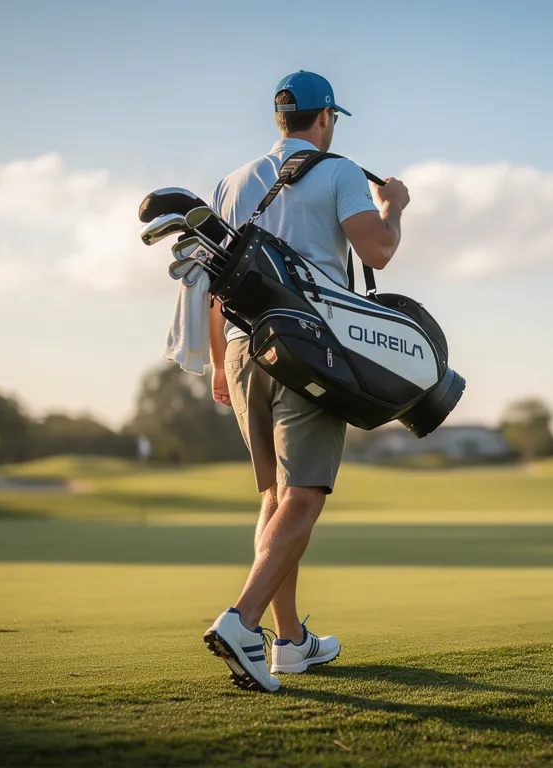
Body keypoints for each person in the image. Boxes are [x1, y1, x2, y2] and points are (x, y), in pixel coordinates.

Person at [201, 71, 411, 692]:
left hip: (241, 349)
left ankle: (290, 642)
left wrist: (218, 364)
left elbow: (213, 284)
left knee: (276, 496)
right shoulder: (338, 169)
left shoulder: (231, 182)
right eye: (333, 120)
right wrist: (393, 204)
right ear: (324, 120)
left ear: (279, 119)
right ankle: (242, 623)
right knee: (305, 495)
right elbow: (378, 252)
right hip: (307, 350)